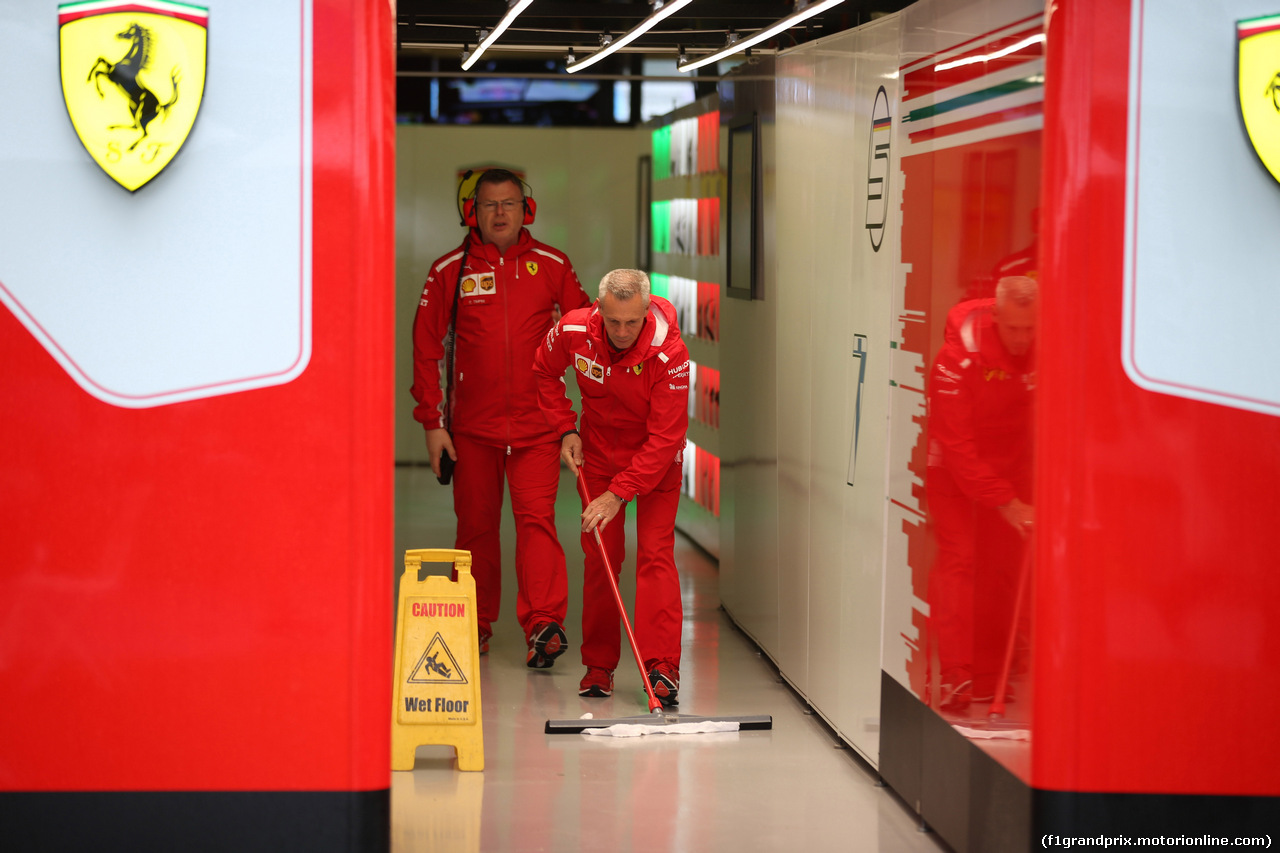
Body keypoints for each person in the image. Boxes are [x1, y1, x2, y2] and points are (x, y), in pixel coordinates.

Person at [411, 168, 592, 668]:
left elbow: (587, 335)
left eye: (508, 203)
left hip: (537, 429)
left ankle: (544, 625)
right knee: (475, 531)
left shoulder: (553, 265)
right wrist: (433, 424)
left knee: (538, 524)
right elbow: (425, 350)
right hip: (471, 431)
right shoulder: (450, 269)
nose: (499, 214)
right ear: (474, 212)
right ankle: (473, 624)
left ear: (525, 209)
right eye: (489, 205)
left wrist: (579, 420)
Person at [532, 269, 690, 706]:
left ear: (646, 311)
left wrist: (619, 493)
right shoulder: (573, 330)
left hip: (656, 462)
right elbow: (544, 371)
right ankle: (598, 666)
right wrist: (565, 428)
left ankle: (661, 668)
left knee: (655, 553)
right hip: (599, 455)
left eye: (632, 322)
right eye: (613, 321)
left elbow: (665, 439)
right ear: (598, 310)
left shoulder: (670, 352)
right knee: (602, 556)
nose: (622, 332)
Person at [926, 275, 1038, 713]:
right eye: (1013, 329)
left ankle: (993, 675)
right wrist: (1005, 501)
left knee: (1002, 568)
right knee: (961, 558)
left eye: (1030, 328)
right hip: (953, 471)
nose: (1022, 338)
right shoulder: (956, 357)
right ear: (996, 318)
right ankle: (957, 674)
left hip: (1011, 471)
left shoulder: (1043, 350)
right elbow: (956, 446)